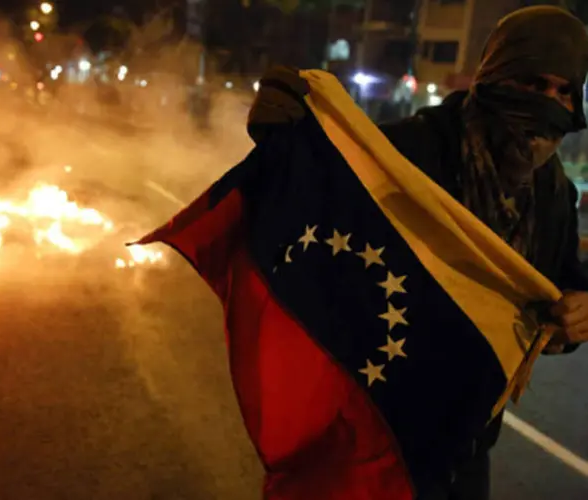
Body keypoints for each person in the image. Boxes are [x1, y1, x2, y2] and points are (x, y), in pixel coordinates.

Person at [247, 5, 588, 500]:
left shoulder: (554, 195)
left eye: (563, 92)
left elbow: (560, 289)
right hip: (369, 431)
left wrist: (578, 317)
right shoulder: (408, 153)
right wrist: (280, 147)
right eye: (533, 84)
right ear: (495, 76)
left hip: (466, 448)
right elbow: (309, 229)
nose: (548, 105)